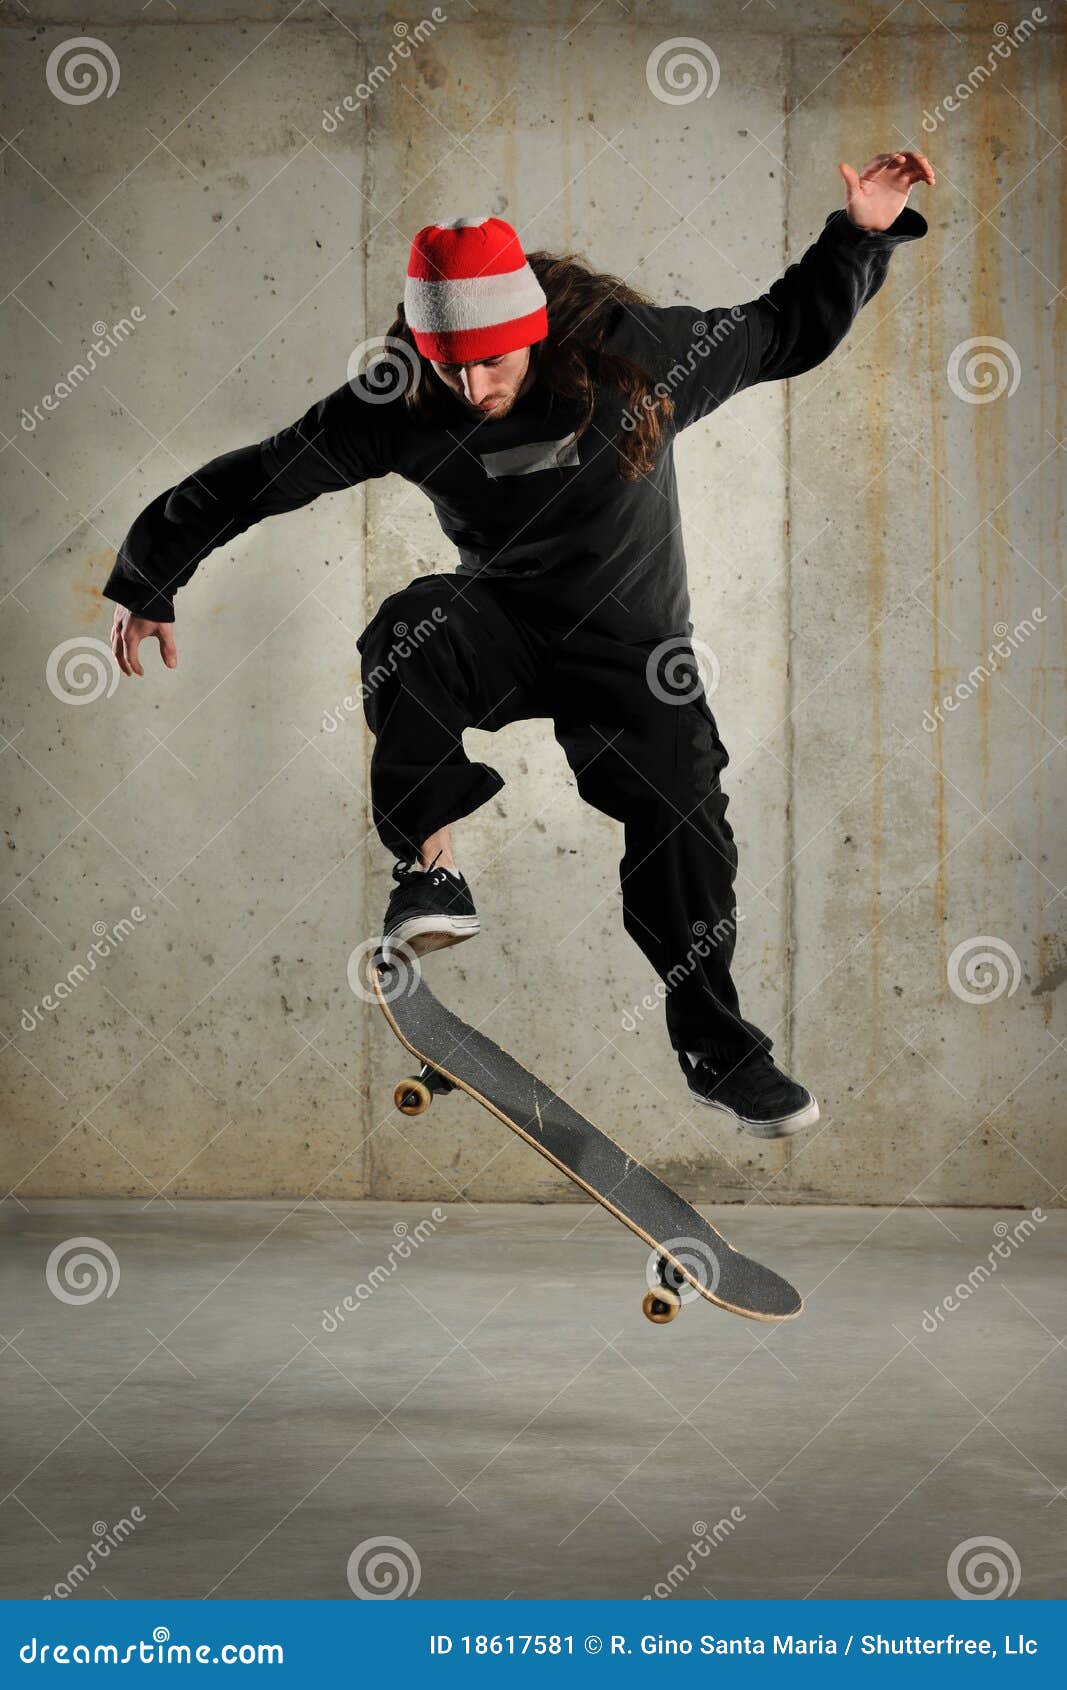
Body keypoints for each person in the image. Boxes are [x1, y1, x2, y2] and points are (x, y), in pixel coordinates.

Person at [104, 150, 934, 1140]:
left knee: (687, 829)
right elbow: (259, 476)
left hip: (633, 649)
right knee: (407, 629)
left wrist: (861, 231)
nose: (473, 385)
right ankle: (429, 868)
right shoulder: (399, 396)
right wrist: (148, 575)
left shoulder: (636, 360)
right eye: (452, 364)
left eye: (493, 363)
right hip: (505, 626)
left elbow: (782, 329)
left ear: (534, 336)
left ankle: (718, 1051)